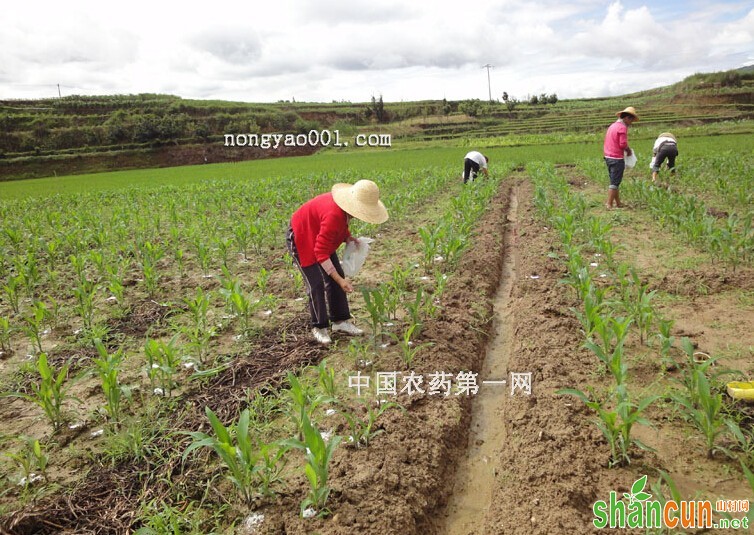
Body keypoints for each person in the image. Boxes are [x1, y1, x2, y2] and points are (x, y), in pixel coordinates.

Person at [287, 179, 389, 345]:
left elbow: (340, 224)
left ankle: (340, 322)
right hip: (302, 234)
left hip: (318, 233)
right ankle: (319, 327)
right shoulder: (334, 214)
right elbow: (320, 252)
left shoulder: (343, 211)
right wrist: (340, 280)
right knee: (316, 283)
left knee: (336, 276)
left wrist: (347, 237)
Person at [603, 106, 638, 209]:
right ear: (627, 118)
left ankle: (618, 203)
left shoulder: (612, 126)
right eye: (631, 120)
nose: (631, 123)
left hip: (608, 156)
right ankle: (609, 204)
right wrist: (629, 150)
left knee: (615, 181)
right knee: (614, 182)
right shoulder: (622, 127)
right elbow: (622, 144)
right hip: (616, 158)